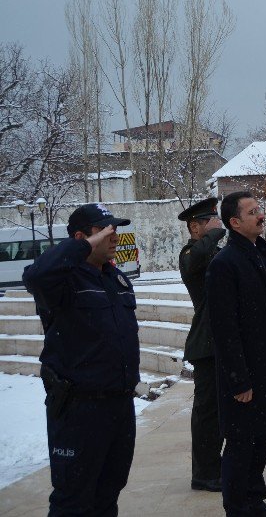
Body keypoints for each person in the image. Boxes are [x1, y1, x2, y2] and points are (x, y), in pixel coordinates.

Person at [22, 203, 139, 516]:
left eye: (115, 228)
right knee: (72, 500)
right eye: (105, 230)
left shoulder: (116, 279)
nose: (114, 235)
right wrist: (80, 247)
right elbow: (36, 274)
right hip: (79, 410)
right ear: (79, 238)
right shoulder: (62, 282)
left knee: (108, 493)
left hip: (119, 406)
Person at [206, 191, 266, 517]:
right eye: (252, 212)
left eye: (259, 209)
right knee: (241, 444)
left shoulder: (260, 256)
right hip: (246, 377)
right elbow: (224, 329)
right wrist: (239, 379)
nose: (260, 215)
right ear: (234, 222)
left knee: (260, 441)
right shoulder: (225, 265)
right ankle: (239, 509)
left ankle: (255, 505)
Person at [178, 196, 226, 493]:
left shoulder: (213, 252)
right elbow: (198, 258)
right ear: (194, 228)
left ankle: (214, 465)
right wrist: (216, 232)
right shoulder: (190, 254)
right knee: (207, 412)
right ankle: (204, 473)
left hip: (219, 341)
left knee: (219, 411)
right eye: (209, 223)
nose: (216, 226)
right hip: (205, 344)